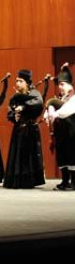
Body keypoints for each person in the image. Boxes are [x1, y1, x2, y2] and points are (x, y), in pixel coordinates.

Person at [3, 69, 45, 189]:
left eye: (20, 81)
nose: (17, 83)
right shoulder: (15, 96)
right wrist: (14, 116)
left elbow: (39, 103)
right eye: (16, 81)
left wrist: (23, 107)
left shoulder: (34, 93)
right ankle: (16, 180)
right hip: (18, 129)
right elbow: (9, 111)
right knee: (17, 154)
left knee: (28, 155)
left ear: (27, 83)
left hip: (30, 128)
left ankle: (28, 181)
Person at [44, 63, 75, 191]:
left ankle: (74, 181)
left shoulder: (73, 98)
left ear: (69, 85)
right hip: (61, 132)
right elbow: (50, 108)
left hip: (72, 131)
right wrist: (48, 115)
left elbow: (67, 110)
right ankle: (64, 180)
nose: (60, 87)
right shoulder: (59, 98)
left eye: (62, 84)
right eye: (59, 85)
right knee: (62, 155)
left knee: (72, 155)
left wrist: (55, 113)